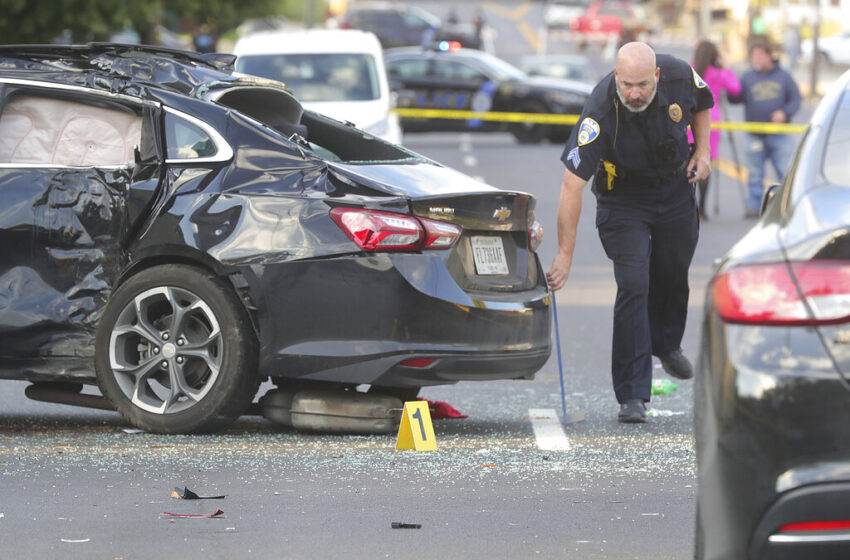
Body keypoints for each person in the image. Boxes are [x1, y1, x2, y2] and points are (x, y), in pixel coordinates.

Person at [547, 42, 713, 424]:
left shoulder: (678, 73)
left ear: (656, 75)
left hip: (674, 188)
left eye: (642, 84)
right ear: (616, 77)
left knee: (673, 270)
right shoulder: (600, 109)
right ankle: (632, 393)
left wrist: (702, 151)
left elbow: (703, 102)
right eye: (627, 85)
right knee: (635, 282)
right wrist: (565, 254)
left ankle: (666, 344)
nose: (634, 93)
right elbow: (571, 186)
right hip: (623, 200)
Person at [727, 36, 801, 218]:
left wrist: (784, 113)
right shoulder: (748, 77)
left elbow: (796, 100)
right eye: (754, 56)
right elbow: (735, 98)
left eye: (760, 55)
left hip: (779, 135)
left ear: (769, 56)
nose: (756, 60)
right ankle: (755, 208)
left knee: (785, 172)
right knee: (754, 174)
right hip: (755, 134)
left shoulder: (784, 77)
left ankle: (788, 206)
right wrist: (727, 81)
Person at [688, 39, 741, 219]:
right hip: (712, 120)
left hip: (690, 117)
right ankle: (702, 209)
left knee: (686, 160)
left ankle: (686, 204)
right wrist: (726, 66)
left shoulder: (689, 70)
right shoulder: (718, 73)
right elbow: (735, 88)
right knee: (705, 160)